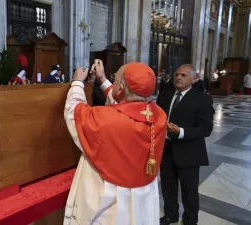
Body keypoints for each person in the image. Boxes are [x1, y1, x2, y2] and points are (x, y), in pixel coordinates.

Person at [63, 60, 167, 225]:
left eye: (116, 79)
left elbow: (74, 112)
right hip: (142, 195)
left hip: (110, 197)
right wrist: (103, 80)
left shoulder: (105, 119)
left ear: (121, 88)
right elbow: (127, 104)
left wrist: (77, 82)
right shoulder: (159, 116)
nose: (114, 82)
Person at [157, 64, 215, 225]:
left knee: (189, 191)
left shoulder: (203, 99)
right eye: (176, 75)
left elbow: (206, 129)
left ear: (194, 78)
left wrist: (181, 132)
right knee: (168, 187)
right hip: (166, 150)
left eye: (183, 75)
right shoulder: (165, 95)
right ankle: (171, 215)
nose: (178, 78)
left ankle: (190, 219)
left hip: (189, 152)